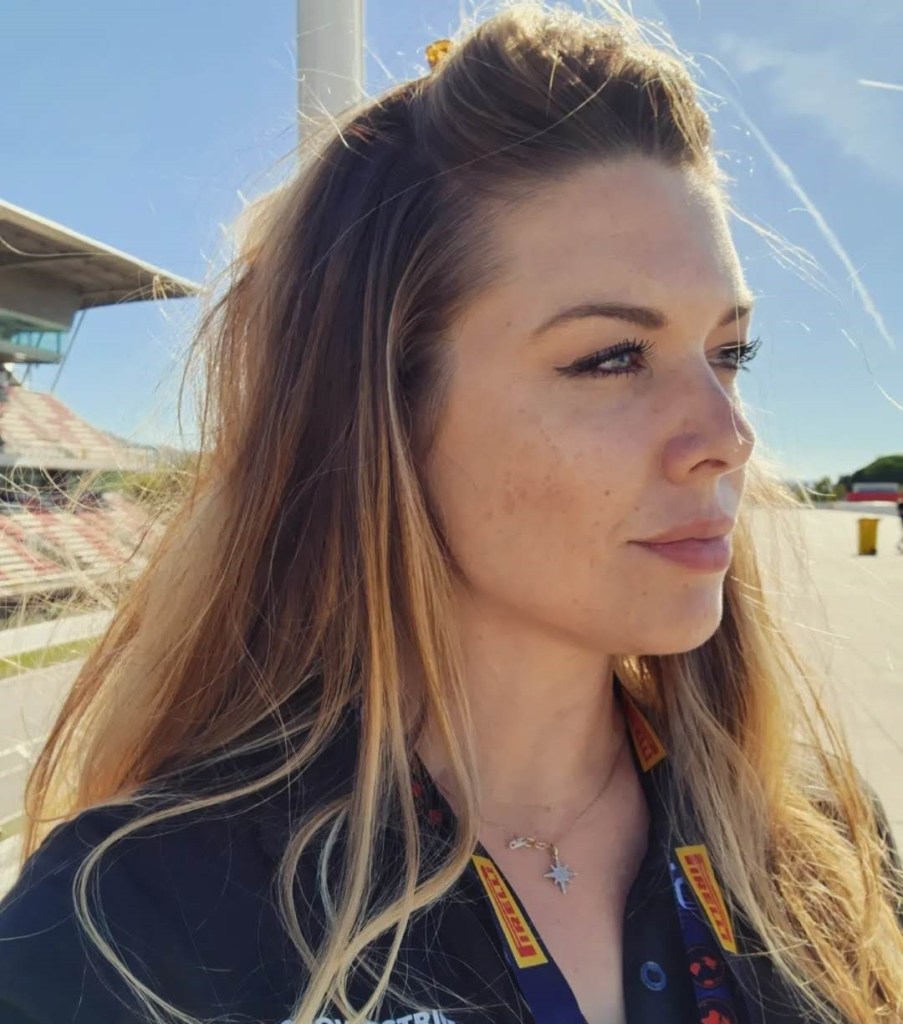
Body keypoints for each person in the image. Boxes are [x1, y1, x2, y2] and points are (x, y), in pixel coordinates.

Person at [0, 5, 900, 1024]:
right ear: (379, 411)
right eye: (611, 358)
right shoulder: (130, 935)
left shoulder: (825, 850)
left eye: (729, 352)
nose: (728, 435)